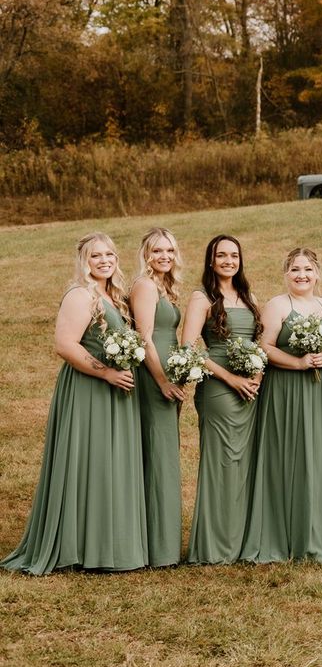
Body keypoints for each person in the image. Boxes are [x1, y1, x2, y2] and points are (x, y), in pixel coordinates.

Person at [3, 234, 146, 575]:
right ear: (84, 260)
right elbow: (65, 345)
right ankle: (78, 545)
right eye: (95, 255)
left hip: (114, 391)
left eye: (109, 253)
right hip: (89, 389)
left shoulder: (112, 296)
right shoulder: (80, 295)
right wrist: (107, 374)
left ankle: (106, 541)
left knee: (108, 464)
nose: (104, 260)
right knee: (89, 462)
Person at [242, 247, 322, 563]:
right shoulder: (276, 305)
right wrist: (297, 363)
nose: (302, 275)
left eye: (308, 269)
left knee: (319, 457)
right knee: (287, 455)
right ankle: (281, 534)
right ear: (286, 273)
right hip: (285, 389)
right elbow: (265, 347)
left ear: (318, 273)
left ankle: (318, 533)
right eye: (295, 269)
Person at [182, 235, 263, 565]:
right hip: (219, 388)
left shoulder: (248, 296)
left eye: (234, 255)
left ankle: (242, 540)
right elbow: (188, 348)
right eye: (222, 255)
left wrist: (256, 376)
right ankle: (215, 547)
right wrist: (230, 378)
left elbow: (260, 341)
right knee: (222, 463)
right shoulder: (202, 297)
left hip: (251, 391)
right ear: (211, 260)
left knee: (245, 463)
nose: (229, 260)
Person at [130, 227, 188, 568]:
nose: (164, 256)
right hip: (154, 377)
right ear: (146, 254)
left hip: (170, 375)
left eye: (169, 250)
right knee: (159, 451)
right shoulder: (145, 285)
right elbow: (144, 337)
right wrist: (163, 380)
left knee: (164, 451)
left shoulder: (166, 285)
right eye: (156, 251)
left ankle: (160, 541)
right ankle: (159, 549)